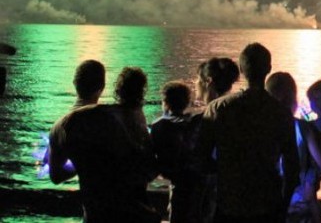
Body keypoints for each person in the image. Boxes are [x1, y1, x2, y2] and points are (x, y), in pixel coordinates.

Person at [197, 43, 299, 223]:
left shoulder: (218, 108)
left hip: (229, 203)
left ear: (241, 69)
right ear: (268, 68)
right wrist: (283, 208)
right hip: (267, 204)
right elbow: (292, 166)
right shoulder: (281, 113)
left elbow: (201, 157)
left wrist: (226, 169)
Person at [48, 65, 161, 223]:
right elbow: (149, 167)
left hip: (96, 216)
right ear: (102, 87)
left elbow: (56, 176)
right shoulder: (128, 115)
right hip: (137, 214)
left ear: (75, 83)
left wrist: (81, 164)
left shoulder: (62, 126)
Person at [265, 73, 321, 223]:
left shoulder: (260, 128)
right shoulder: (303, 128)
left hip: (270, 205)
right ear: (293, 99)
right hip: (298, 204)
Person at [189, 57, 240, 223]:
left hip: (207, 200)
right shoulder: (238, 114)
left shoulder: (203, 120)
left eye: (197, 79)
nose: (195, 83)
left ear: (208, 82)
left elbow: (199, 159)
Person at [151, 80, 198, 223]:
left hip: (177, 179)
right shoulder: (195, 122)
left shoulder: (159, 125)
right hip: (196, 179)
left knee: (178, 214)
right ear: (187, 102)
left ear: (165, 101)